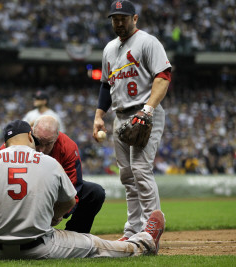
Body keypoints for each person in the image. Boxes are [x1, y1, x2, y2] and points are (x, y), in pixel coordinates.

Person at [0, 119, 165, 259]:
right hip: (40, 246)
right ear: (31, 136)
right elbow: (70, 201)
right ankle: (144, 243)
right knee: (96, 245)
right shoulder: (49, 163)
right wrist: (54, 217)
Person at [93, 0, 172, 241]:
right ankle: (133, 230)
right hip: (120, 116)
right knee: (127, 176)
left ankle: (150, 231)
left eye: (123, 18)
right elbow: (106, 85)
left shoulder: (147, 42)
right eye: (115, 18)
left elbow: (163, 76)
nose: (118, 22)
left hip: (144, 113)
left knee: (140, 170)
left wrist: (147, 109)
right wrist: (98, 116)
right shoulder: (108, 49)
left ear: (134, 19)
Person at [32, 115, 105, 233]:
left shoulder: (68, 146)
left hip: (55, 191)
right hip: (28, 191)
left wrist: (60, 213)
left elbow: (74, 187)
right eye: (39, 142)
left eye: (48, 143)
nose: (42, 149)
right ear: (32, 133)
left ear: (57, 136)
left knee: (94, 192)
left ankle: (76, 238)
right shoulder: (21, 140)